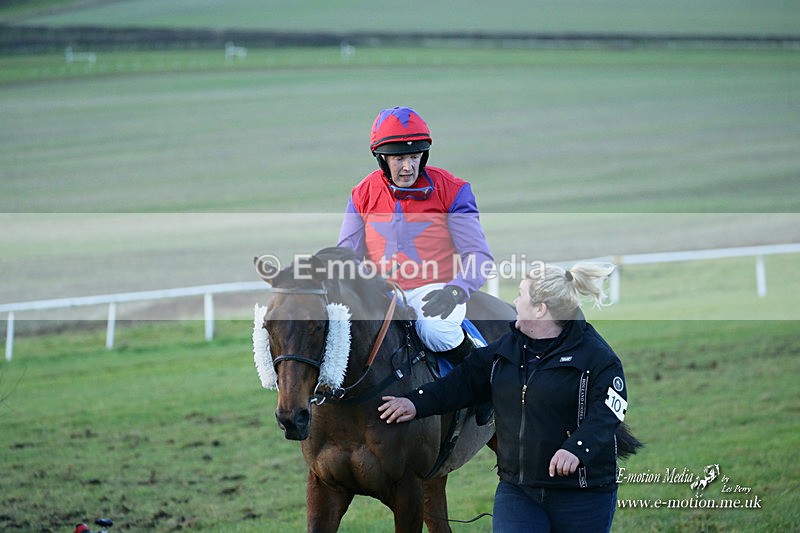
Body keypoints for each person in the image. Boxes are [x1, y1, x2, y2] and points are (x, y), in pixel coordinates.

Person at [378, 262, 639, 533]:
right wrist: (414, 403)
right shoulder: (506, 349)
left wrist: (577, 449)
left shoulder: (597, 357)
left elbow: (608, 413)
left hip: (582, 494)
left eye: (520, 294)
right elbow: (460, 383)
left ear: (540, 309)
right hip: (518, 490)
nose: (514, 302)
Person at [337, 106, 493, 363]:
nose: (408, 167)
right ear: (382, 159)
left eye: (414, 156)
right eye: (399, 159)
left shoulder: (453, 190)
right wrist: (365, 283)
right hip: (379, 292)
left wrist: (455, 291)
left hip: (435, 290)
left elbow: (478, 255)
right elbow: (346, 256)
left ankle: (483, 372)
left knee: (437, 331)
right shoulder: (362, 193)